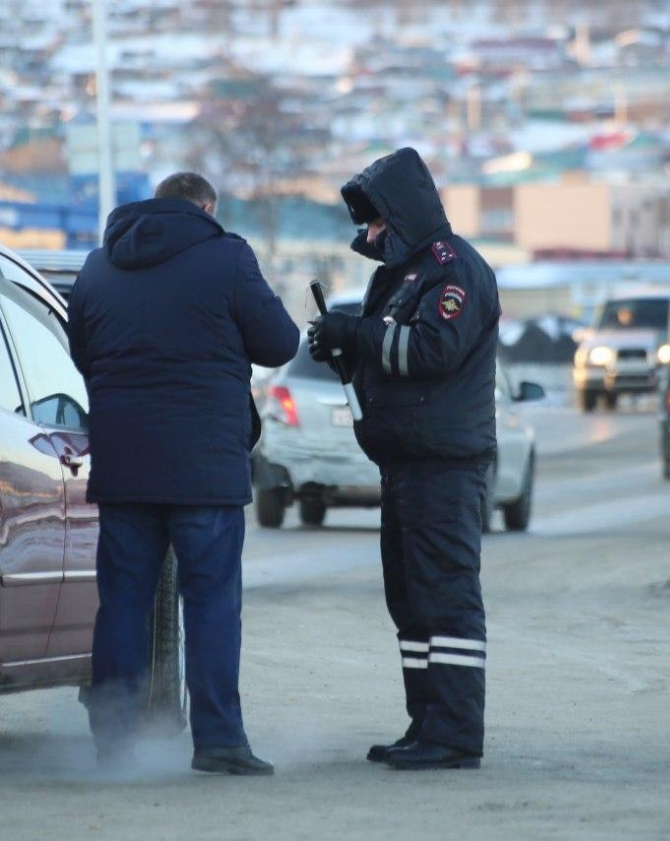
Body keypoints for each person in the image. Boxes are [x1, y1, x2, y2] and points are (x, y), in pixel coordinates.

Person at [68, 171, 299, 776]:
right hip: (204, 467)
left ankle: (113, 741)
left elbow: (81, 353)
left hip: (124, 464)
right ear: (204, 207)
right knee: (211, 602)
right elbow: (278, 343)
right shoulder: (225, 257)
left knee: (122, 603)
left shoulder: (98, 267)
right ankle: (219, 740)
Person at [307, 147, 501, 771]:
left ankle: (455, 735)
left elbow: (431, 351)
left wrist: (357, 335)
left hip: (445, 464)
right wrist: (343, 349)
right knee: (412, 600)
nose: (367, 235)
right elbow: (385, 349)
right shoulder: (399, 273)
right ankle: (426, 723)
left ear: (400, 215)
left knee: (445, 599)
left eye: (373, 223)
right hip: (407, 463)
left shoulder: (452, 271)